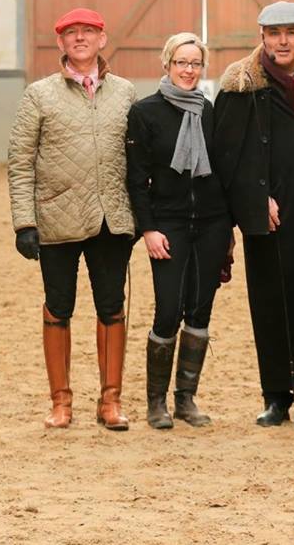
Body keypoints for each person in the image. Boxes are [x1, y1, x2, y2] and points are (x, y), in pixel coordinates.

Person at [213, 0, 294, 427]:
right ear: (262, 37)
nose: (282, 41)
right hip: (269, 215)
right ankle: (276, 397)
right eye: (274, 34)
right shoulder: (242, 87)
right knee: (271, 303)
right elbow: (228, 154)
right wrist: (257, 197)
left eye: (290, 32)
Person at [8, 7, 137, 430]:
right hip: (56, 220)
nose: (80, 38)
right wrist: (24, 222)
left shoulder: (125, 93)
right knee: (58, 307)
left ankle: (110, 402)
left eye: (89, 32)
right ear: (60, 43)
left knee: (111, 306)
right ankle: (61, 402)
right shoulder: (38, 95)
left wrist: (136, 215)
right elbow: (21, 162)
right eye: (71, 33)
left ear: (103, 39)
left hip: (110, 220)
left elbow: (139, 159)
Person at [126, 32, 232, 429]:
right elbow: (136, 179)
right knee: (168, 309)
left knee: (200, 310)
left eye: (195, 63)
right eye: (181, 62)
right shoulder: (146, 112)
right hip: (167, 224)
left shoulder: (209, 110)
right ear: (167, 64)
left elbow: (221, 170)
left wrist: (229, 231)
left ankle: (186, 398)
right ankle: (156, 401)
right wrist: (148, 229)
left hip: (212, 223)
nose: (188, 70)